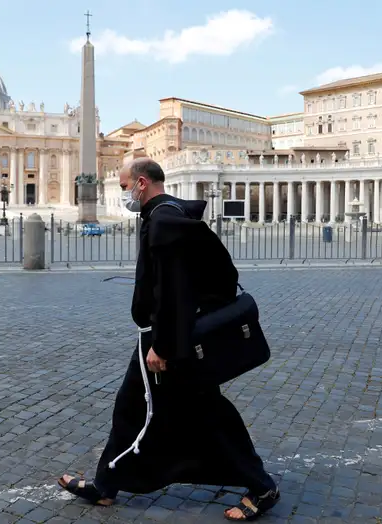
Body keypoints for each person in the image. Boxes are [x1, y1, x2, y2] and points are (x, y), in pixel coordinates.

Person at [58, 158, 280, 521]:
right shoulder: (170, 214)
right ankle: (106, 485)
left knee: (208, 413)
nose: (123, 193)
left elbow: (175, 291)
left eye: (124, 185)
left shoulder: (163, 222)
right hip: (163, 334)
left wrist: (163, 345)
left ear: (142, 183)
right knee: (131, 406)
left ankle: (262, 485)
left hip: (169, 339)